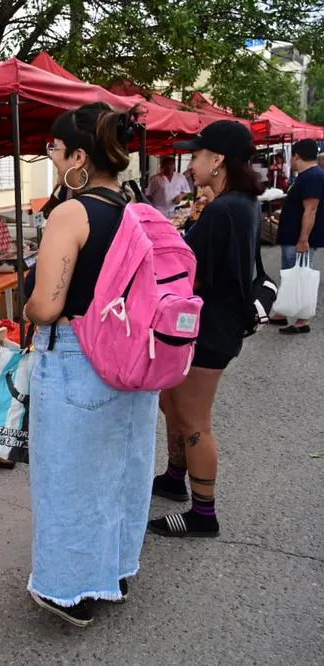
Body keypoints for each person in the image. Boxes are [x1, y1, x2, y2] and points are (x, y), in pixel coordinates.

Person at [23, 103, 157, 628]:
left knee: (68, 478)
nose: (52, 159)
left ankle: (67, 589)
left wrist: (30, 301)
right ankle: (115, 569)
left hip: (78, 355)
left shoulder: (71, 213)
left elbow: (47, 306)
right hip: (131, 354)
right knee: (121, 469)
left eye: (54, 150)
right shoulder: (134, 206)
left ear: (79, 155)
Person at [149, 121, 263, 539]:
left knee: (195, 419)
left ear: (217, 160)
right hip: (214, 324)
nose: (190, 163)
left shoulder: (224, 210)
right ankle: (174, 476)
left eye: (196, 156)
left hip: (209, 329)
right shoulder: (240, 203)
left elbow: (190, 276)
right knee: (173, 404)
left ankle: (203, 514)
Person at [268, 139, 324, 334]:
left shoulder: (312, 176)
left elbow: (311, 209)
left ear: (297, 156)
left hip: (298, 238)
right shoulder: (307, 176)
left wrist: (303, 239)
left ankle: (302, 319)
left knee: (298, 275)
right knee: (290, 275)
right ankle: (283, 313)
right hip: (293, 236)